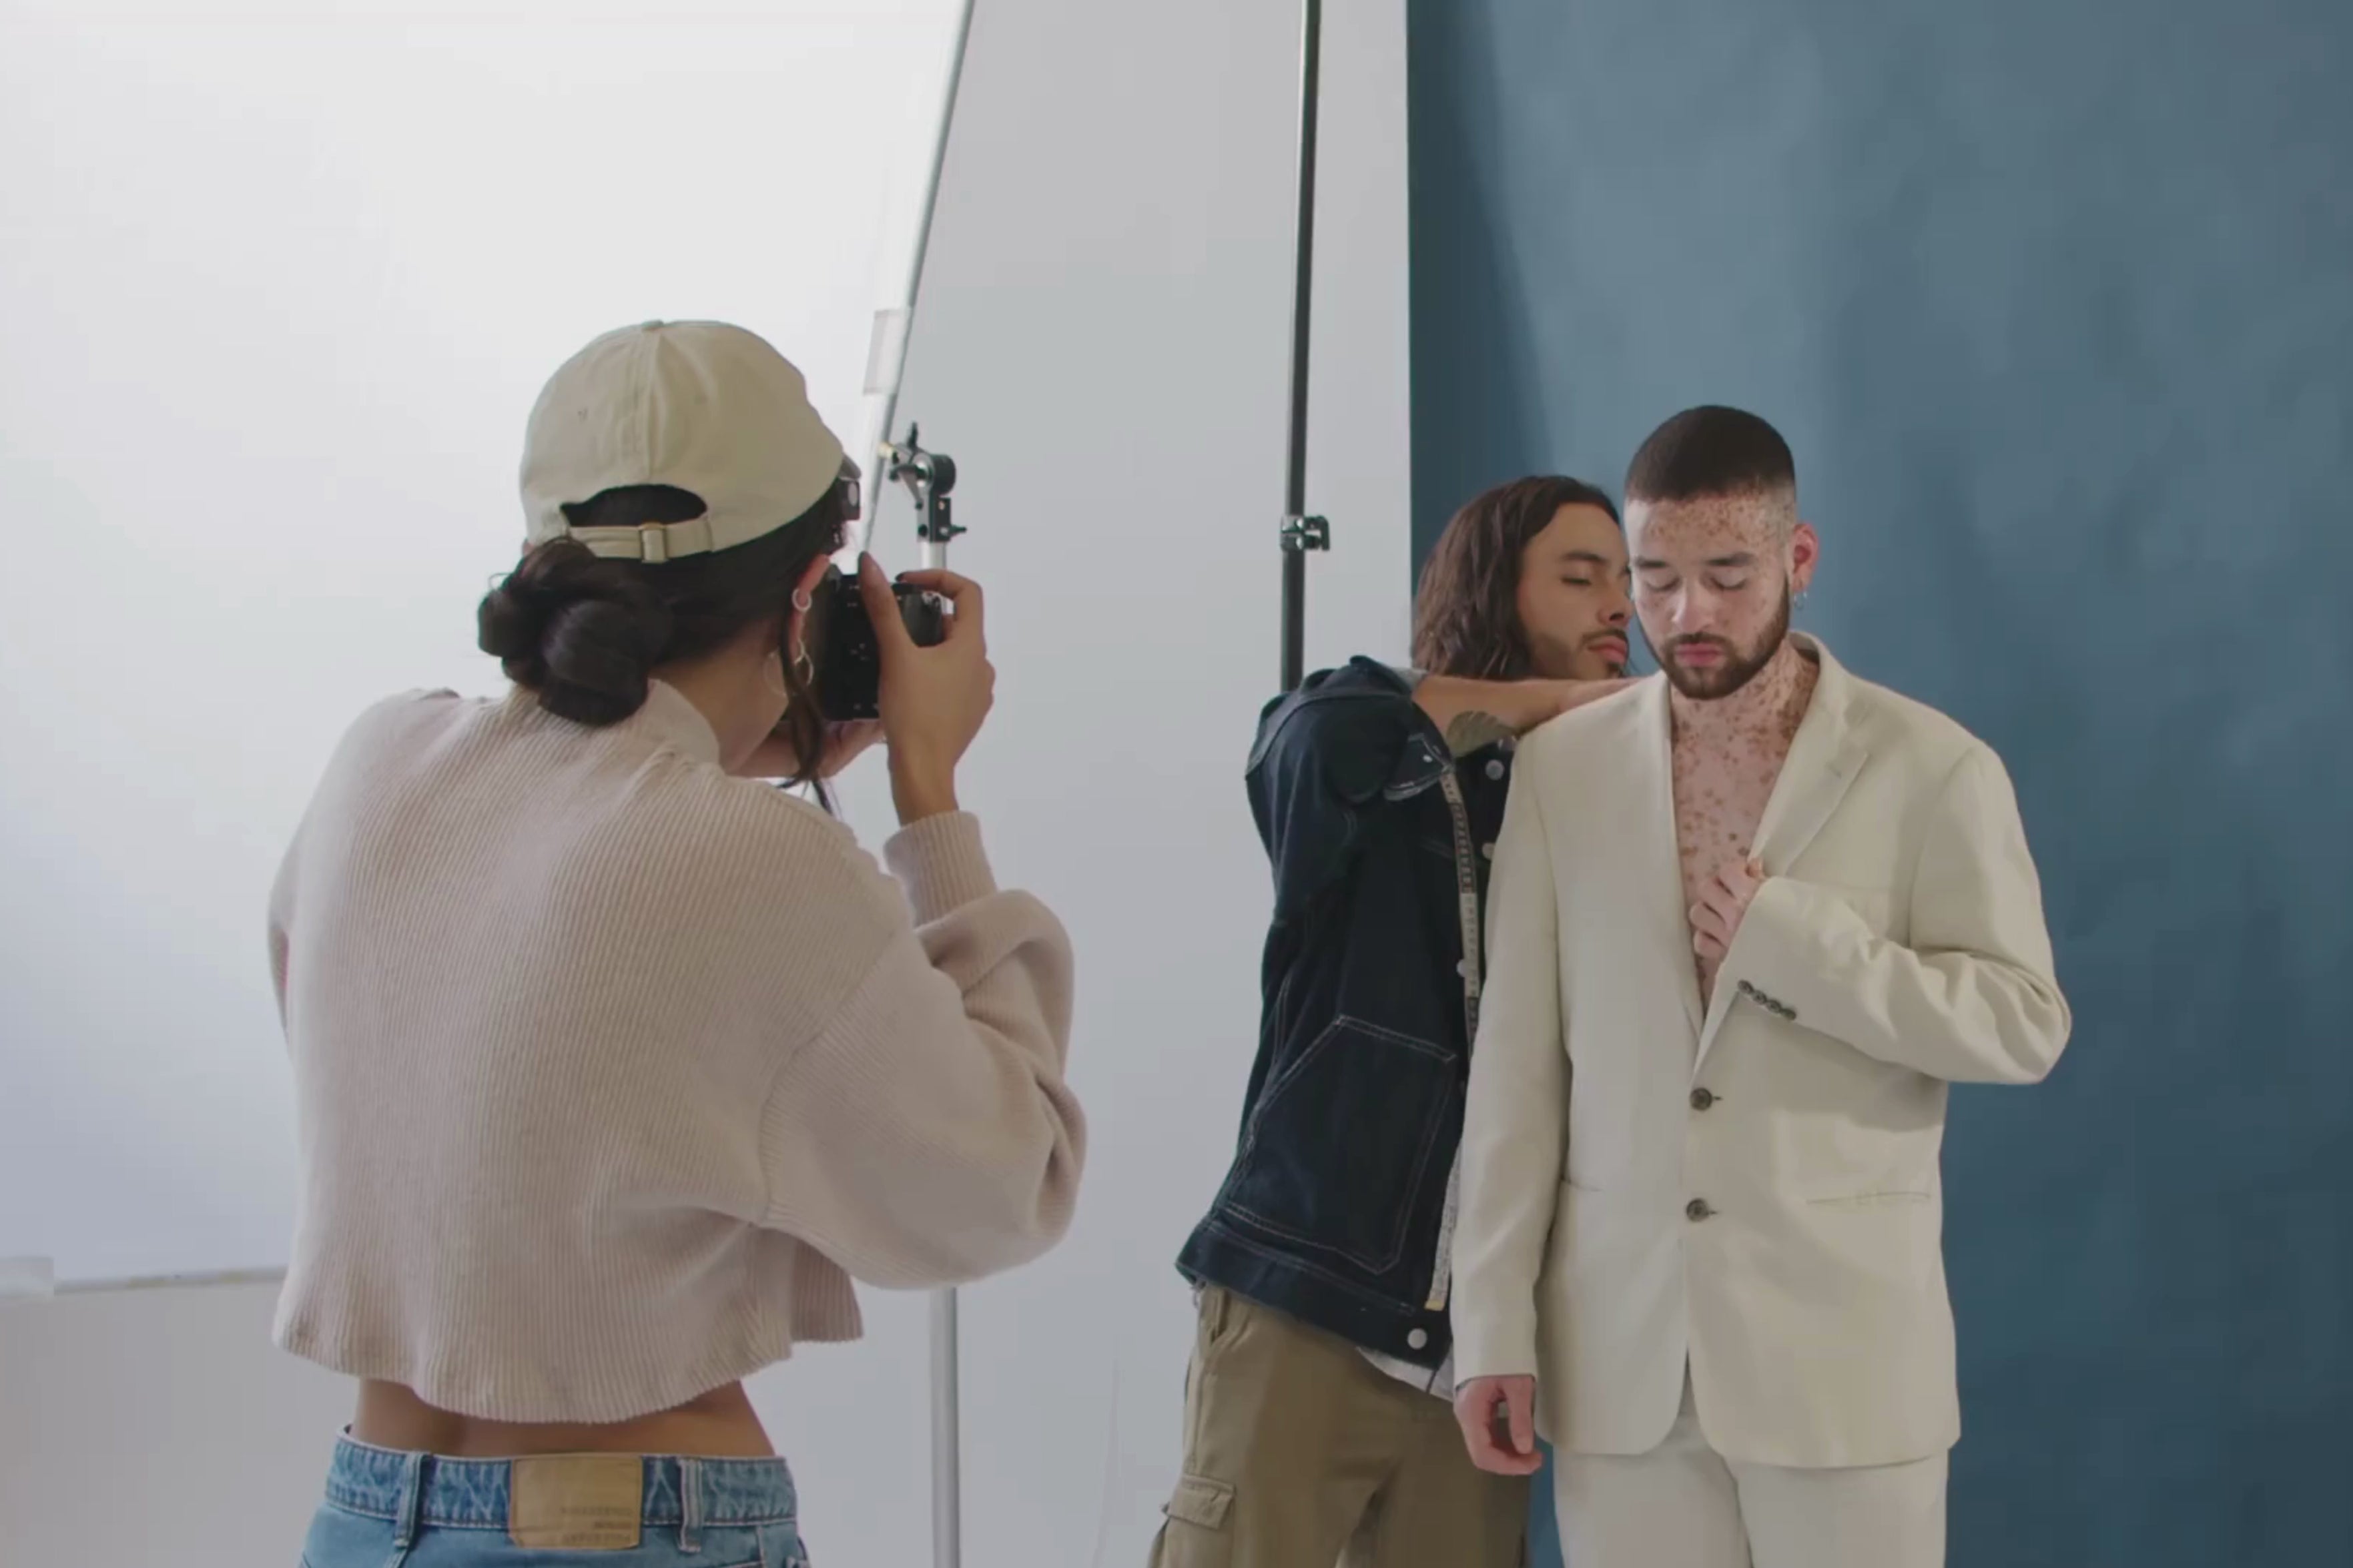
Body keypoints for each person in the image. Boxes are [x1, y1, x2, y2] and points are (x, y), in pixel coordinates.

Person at [267, 320, 1086, 1567]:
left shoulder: (377, 765)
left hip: (365, 1518)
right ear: (810, 591)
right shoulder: (760, 867)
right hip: (631, 1526)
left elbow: (479, 1089)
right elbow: (1003, 1186)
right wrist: (929, 793)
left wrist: (707, 758)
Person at [1449, 406, 2071, 1568]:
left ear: (1798, 558)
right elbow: (1517, 1070)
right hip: (1623, 1366)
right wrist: (1491, 1321)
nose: (1687, 613)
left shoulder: (1932, 766)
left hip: (1842, 1374)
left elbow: (2021, 1024)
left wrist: (1800, 949)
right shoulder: (1560, 770)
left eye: (1728, 576)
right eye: (1655, 578)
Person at [1150, 476, 1634, 1567]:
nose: (1618, 604)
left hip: (1483, 1346)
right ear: (1495, 587)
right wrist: (1556, 703)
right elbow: (1305, 744)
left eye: (1622, 578)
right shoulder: (1372, 734)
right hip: (1311, 1293)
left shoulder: (1588, 793)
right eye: (1579, 576)